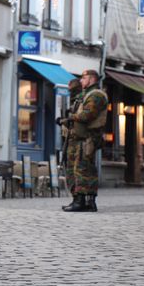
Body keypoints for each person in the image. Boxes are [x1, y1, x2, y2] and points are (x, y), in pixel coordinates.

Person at [59, 69, 108, 212]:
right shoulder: (85, 94)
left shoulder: (96, 95)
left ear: (92, 79)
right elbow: (78, 109)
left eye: (83, 78)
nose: (81, 80)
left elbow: (87, 115)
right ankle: (84, 201)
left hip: (86, 138)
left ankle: (81, 202)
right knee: (78, 169)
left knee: (81, 170)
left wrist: (69, 119)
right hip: (78, 138)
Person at [58, 78, 83, 210]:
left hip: (76, 141)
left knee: (73, 172)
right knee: (73, 171)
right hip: (72, 140)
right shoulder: (77, 101)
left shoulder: (79, 101)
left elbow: (78, 120)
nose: (70, 92)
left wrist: (66, 121)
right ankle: (77, 200)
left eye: (71, 90)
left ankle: (77, 200)